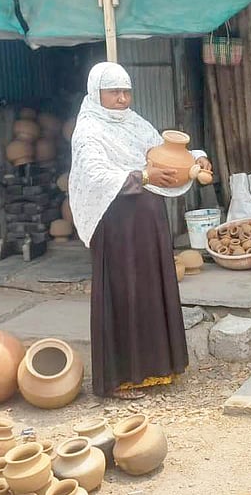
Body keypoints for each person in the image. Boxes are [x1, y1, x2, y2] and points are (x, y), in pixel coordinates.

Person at [68, 62, 212, 399]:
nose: (121, 98)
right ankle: (121, 378)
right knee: (125, 293)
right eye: (114, 92)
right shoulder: (88, 130)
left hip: (147, 223)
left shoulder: (135, 123)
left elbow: (160, 152)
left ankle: (157, 369)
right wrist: (143, 177)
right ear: (96, 93)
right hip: (117, 226)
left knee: (152, 290)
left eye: (126, 91)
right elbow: (95, 176)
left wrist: (196, 160)